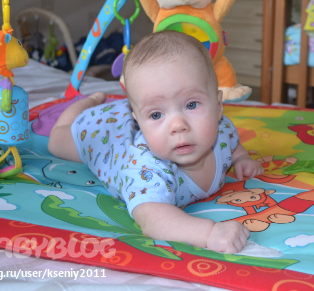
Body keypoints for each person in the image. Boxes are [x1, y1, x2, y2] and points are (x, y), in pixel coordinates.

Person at [48, 31, 264, 253]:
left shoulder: (221, 130)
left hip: (127, 116)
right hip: (101, 131)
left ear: (218, 107)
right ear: (139, 122)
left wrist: (241, 157)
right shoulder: (146, 169)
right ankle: (87, 102)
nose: (177, 125)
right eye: (156, 115)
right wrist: (208, 234)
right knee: (56, 142)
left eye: (191, 105)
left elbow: (232, 142)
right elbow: (153, 220)